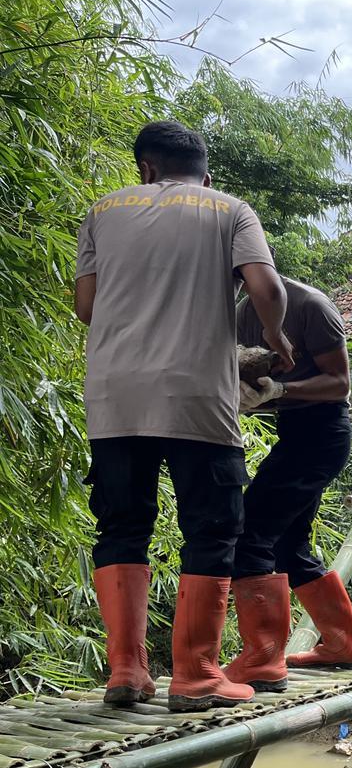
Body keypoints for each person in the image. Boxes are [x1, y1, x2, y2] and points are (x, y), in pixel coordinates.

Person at [74, 120, 294, 712]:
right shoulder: (229, 208)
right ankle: (195, 673)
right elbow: (265, 286)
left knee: (121, 526)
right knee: (212, 526)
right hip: (197, 394)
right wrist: (273, 333)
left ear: (145, 168)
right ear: (205, 173)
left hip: (115, 396)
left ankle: (126, 670)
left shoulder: (101, 210)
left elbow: (86, 306)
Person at [223, 271, 352, 694]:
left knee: (250, 534)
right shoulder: (242, 315)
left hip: (322, 435)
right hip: (295, 433)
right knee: (288, 544)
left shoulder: (311, 306)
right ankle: (342, 644)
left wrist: (281, 391)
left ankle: (263, 660)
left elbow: (340, 383)